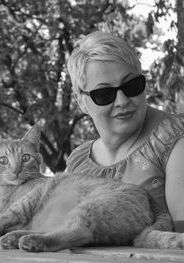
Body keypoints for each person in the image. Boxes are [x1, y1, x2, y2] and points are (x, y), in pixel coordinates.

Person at [66, 31, 184, 232]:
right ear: (82, 102)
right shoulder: (78, 162)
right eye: (104, 94)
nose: (122, 102)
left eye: (131, 85)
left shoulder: (174, 141)